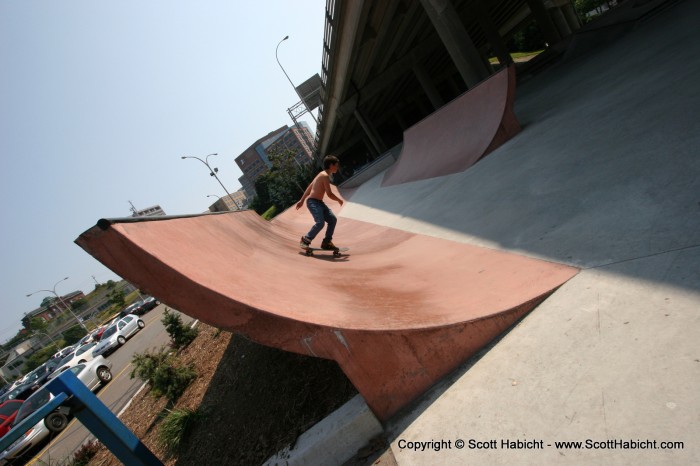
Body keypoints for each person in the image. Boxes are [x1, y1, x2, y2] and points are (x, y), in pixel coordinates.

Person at [296, 155, 344, 250]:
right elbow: (329, 194)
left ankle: (326, 242)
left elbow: (309, 187)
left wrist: (301, 200)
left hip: (319, 203)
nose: (337, 168)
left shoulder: (321, 174)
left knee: (332, 219)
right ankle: (305, 240)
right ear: (331, 165)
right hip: (313, 202)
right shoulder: (324, 176)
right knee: (320, 223)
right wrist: (339, 200)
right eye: (336, 165)